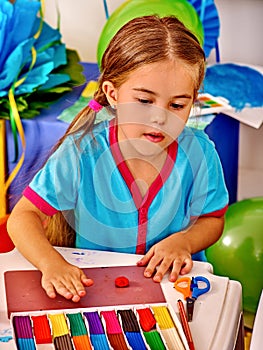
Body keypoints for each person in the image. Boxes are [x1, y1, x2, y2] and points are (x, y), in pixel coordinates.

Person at [7, 15, 228, 303]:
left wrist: (184, 241)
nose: (160, 117)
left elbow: (212, 219)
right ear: (113, 94)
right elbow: (23, 217)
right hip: (96, 288)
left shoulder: (200, 153)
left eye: (177, 104)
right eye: (145, 101)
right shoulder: (81, 151)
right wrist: (51, 264)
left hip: (173, 288)